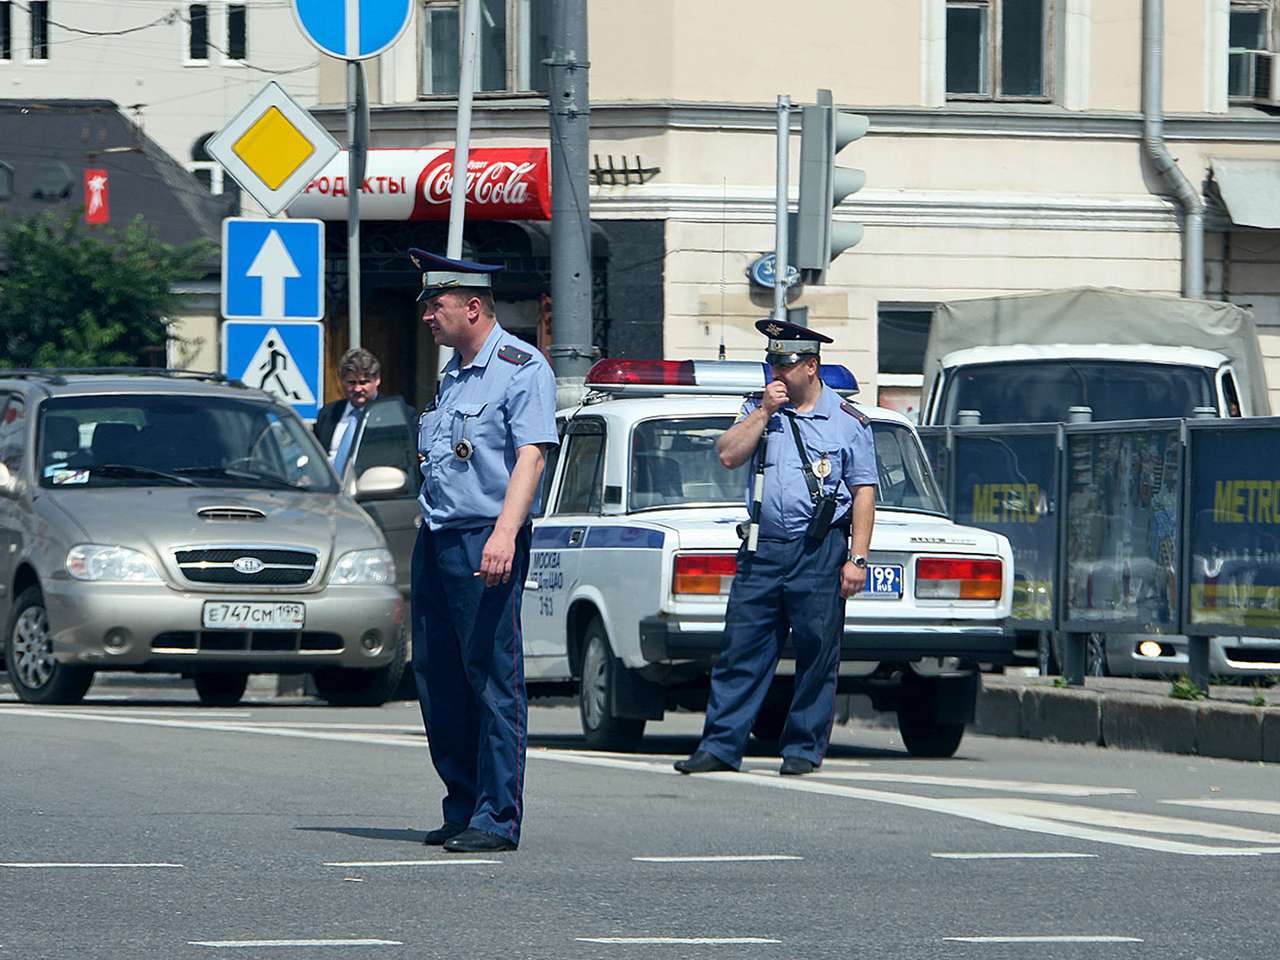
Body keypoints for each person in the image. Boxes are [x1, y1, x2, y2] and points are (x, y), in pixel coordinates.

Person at [674, 317, 877, 777]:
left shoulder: (847, 421)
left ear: (810, 367)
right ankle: (721, 746)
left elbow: (864, 491)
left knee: (816, 651)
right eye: (771, 365)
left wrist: (857, 559)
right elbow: (727, 454)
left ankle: (803, 750)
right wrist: (763, 412)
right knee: (741, 649)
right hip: (763, 549)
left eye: (783, 366)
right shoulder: (758, 409)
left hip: (819, 550)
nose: (775, 374)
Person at [408, 248, 559, 853]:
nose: (427, 317)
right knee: (438, 677)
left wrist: (504, 532)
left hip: (484, 538)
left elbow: (531, 454)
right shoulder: (452, 373)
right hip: (439, 535)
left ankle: (498, 815)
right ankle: (462, 802)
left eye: (435, 305)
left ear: (472, 307)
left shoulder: (523, 367)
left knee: (492, 677)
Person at [314, 348, 393, 476]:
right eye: (351, 382)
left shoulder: (393, 414)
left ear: (377, 380)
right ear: (342, 381)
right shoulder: (329, 414)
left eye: (363, 382)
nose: (357, 389)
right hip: (329, 490)